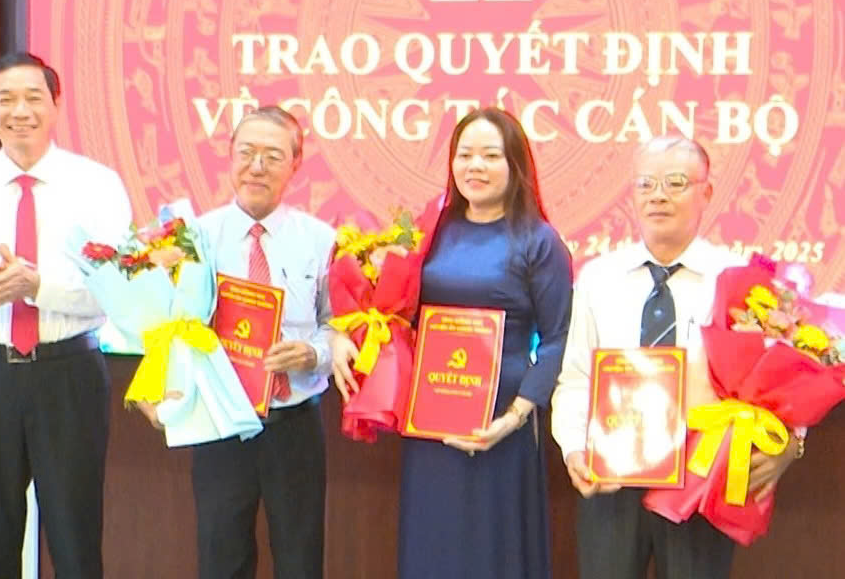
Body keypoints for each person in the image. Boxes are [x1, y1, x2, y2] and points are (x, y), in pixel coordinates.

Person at [0, 52, 132, 578]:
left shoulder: (98, 185)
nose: (20, 111)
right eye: (6, 100)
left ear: (56, 104)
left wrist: (39, 288)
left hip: (69, 374)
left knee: (76, 539)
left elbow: (118, 292)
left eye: (34, 98)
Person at [332, 107, 573, 579]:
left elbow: (558, 339)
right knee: (434, 548)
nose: (475, 166)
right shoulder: (430, 233)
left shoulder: (540, 241)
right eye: (465, 155)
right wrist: (344, 332)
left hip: (501, 424)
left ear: (516, 164)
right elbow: (389, 309)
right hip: (431, 420)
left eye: (490, 155)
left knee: (494, 553)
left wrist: (513, 418)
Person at [550, 135, 802, 579]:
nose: (658, 195)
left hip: (699, 478)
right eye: (646, 184)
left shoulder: (738, 281)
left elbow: (782, 378)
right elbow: (575, 378)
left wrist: (790, 443)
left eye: (675, 183)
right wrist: (573, 450)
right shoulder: (598, 278)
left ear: (706, 192)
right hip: (612, 474)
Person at [156, 105, 334, 579]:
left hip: (294, 421)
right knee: (222, 559)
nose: (257, 166)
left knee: (300, 560)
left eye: (273, 156)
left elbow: (337, 325)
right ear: (230, 156)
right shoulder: (194, 238)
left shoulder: (322, 240)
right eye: (247, 153)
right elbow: (168, 324)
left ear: (295, 164)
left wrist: (314, 353)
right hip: (219, 422)